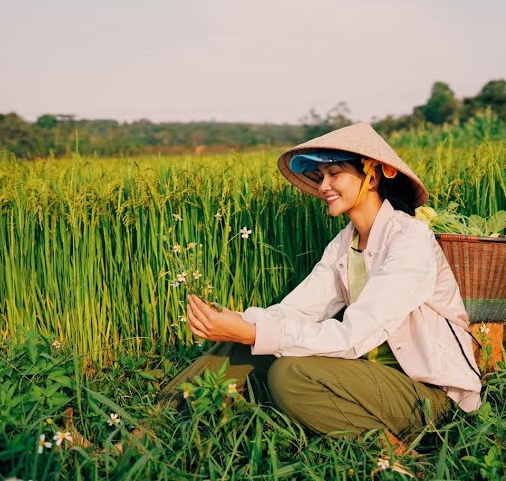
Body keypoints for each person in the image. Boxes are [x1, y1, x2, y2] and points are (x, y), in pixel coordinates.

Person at [156, 122, 482, 449]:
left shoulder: (410, 241)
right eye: (321, 175)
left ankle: (389, 451)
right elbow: (298, 310)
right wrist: (245, 325)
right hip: (369, 381)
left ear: (373, 175)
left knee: (288, 374)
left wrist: (255, 332)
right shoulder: (344, 244)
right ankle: (158, 421)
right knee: (245, 339)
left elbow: (355, 336)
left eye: (335, 173)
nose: (324, 185)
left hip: (430, 397)